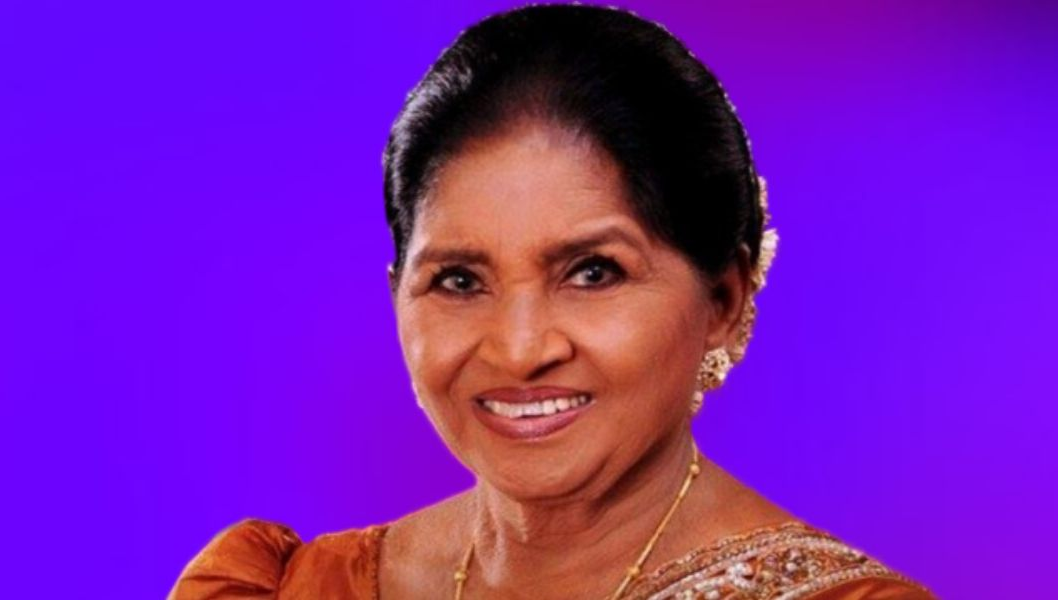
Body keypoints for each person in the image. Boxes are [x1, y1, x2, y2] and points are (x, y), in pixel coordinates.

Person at [171, 5, 933, 599]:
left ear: (724, 301)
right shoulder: (295, 587)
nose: (520, 349)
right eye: (459, 281)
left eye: (593, 272)